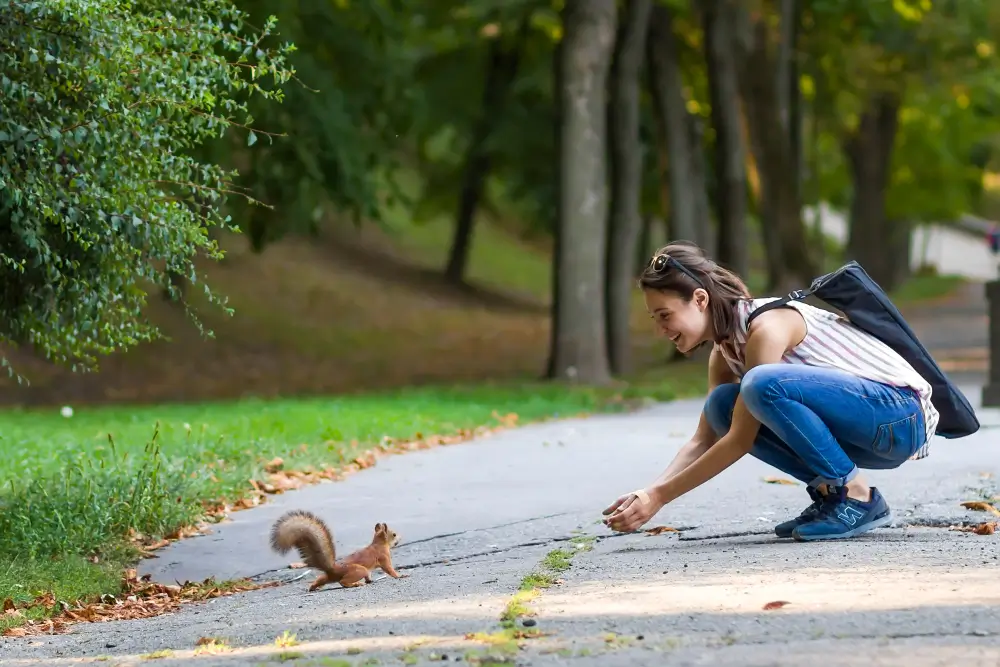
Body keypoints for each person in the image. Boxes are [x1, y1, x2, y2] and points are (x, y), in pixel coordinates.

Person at [602, 241, 939, 542]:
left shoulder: (765, 328)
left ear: (700, 299)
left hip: (900, 417)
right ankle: (831, 495)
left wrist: (662, 497)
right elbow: (704, 439)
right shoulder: (725, 351)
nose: (661, 330)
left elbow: (740, 439)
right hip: (867, 429)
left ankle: (857, 497)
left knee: (760, 384)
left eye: (665, 315)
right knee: (721, 405)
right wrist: (649, 492)